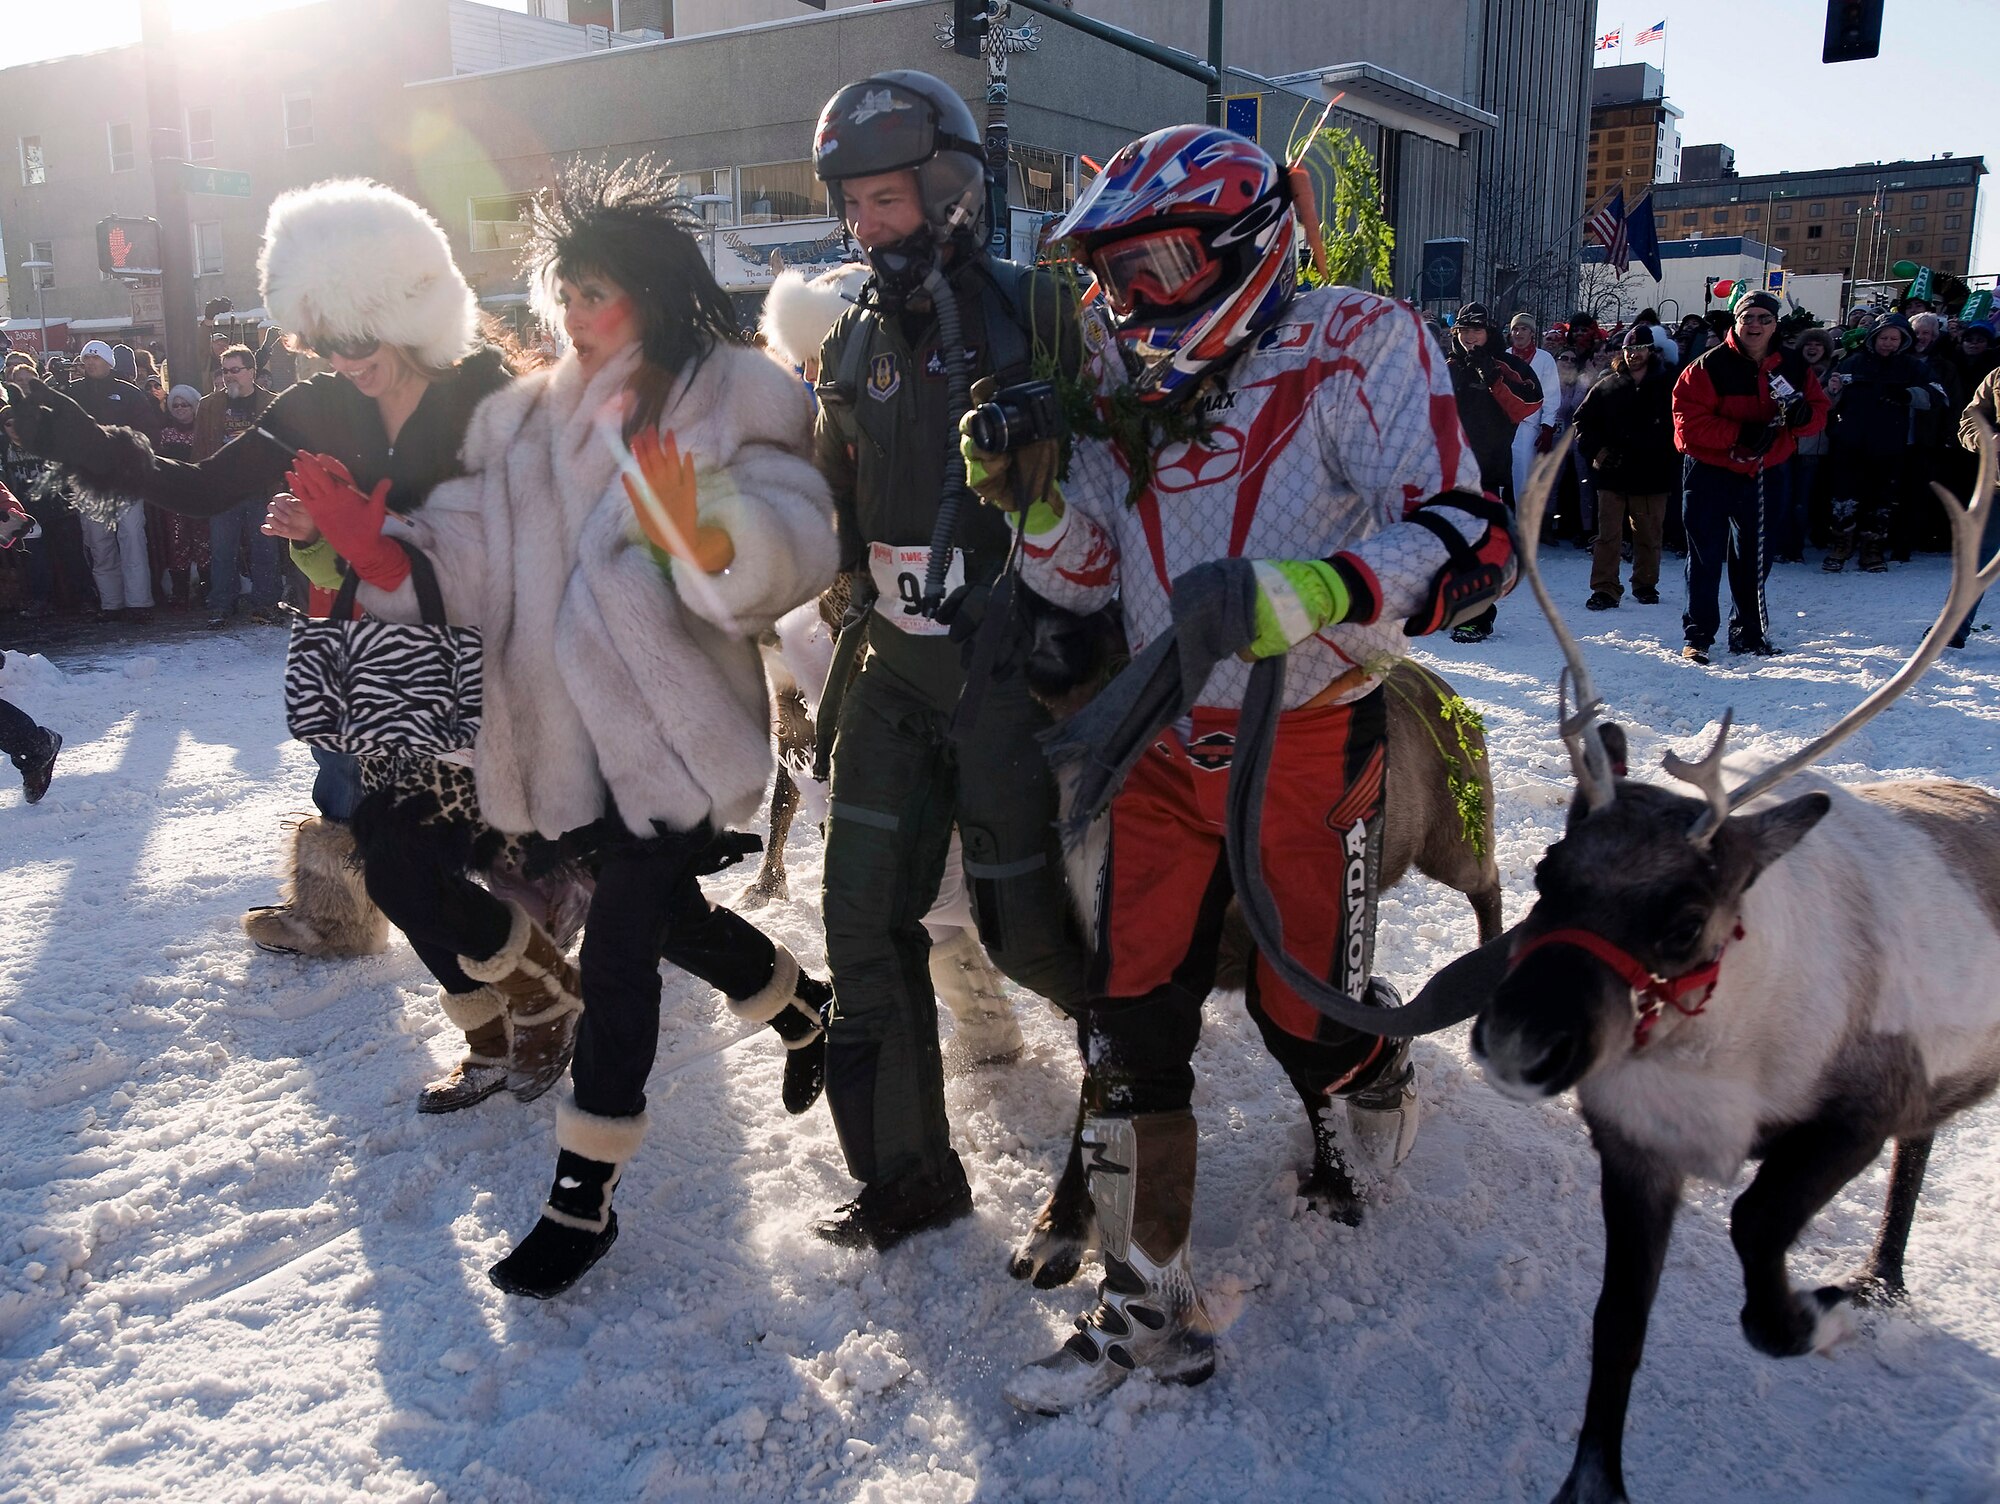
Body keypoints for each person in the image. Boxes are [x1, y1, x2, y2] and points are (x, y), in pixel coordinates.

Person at [964, 123, 1514, 1412]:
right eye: (1107, 273)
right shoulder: (1112, 370)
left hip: (1310, 734)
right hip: (1158, 742)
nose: (1123, 301)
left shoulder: (1356, 339)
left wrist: (1321, 586)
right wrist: (1034, 509)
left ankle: (1369, 1074)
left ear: (1242, 246)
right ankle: (1142, 1307)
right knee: (1127, 1020)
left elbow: (1465, 533)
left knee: (1299, 1013)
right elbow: (1087, 576)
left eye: (1151, 263)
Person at [293, 163, 842, 1298]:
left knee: (626, 949)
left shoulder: (735, 390)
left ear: (652, 291)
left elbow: (795, 541)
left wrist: (706, 528)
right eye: (566, 297)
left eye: (601, 294)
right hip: (564, 733)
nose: (580, 318)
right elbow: (484, 556)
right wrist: (379, 546)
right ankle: (801, 1003)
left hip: (672, 724)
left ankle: (579, 1201)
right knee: (669, 916)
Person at [3, 181, 508, 981]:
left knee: (480, 794)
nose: (343, 358)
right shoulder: (317, 404)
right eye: (323, 338)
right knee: (346, 765)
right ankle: (345, 919)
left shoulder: (481, 389)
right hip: (355, 627)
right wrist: (82, 442)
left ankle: (576, 919)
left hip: (477, 622)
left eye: (356, 335)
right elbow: (202, 486)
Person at [805, 69, 1093, 1251]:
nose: (863, 226)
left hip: (1011, 680)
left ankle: (1142, 1073)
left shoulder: (1047, 314)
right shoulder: (850, 334)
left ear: (948, 191)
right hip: (888, 672)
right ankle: (907, 1175)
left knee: (1028, 934)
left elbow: (1124, 489)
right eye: (852, 206)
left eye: (883, 200)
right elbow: (828, 491)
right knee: (860, 919)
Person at [1670, 290, 1828, 663]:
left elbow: (1819, 410)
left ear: (1775, 325)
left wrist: (1805, 418)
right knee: (1705, 555)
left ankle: (1748, 633)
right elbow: (1686, 425)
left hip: (1765, 471)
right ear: (1735, 321)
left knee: (1755, 556)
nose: (1754, 325)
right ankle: (1699, 635)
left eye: (1763, 318)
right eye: (1747, 317)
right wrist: (1739, 433)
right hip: (1711, 470)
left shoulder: (1793, 365)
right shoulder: (1706, 366)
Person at [1444, 302, 1540, 642]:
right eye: (1464, 331)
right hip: (1446, 471)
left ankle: (1477, 616)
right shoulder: (1447, 366)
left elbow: (1528, 404)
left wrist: (1492, 376)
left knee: (1479, 547)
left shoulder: (1505, 364)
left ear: (1489, 333)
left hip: (1485, 469)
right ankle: (1447, 607)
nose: (1470, 337)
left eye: (1477, 331)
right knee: (1443, 543)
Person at [1822, 313, 1941, 573]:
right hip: (1849, 440)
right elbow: (1823, 401)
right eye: (1883, 337)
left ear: (1903, 341)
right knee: (1844, 496)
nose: (1887, 343)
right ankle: (1841, 544)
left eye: (1894, 338)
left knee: (1882, 498)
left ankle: (1872, 547)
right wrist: (1832, 390)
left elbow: (1939, 395)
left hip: (1890, 443)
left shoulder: (1912, 367)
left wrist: (1908, 395)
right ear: (1873, 338)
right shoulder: (1851, 362)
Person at [1573, 326, 1677, 609]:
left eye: (1639, 349)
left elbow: (1682, 425)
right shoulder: (1608, 384)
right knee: (1608, 535)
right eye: (1629, 350)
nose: (1634, 355)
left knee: (1648, 533)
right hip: (1613, 471)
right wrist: (1598, 451)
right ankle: (1605, 588)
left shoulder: (1668, 384)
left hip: (1652, 471)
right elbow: (1582, 422)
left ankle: (1645, 584)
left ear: (1651, 351)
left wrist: (1671, 456)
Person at [64, 339, 159, 621]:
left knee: (132, 539)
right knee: (98, 542)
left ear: (109, 363)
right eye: (87, 357)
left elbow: (149, 434)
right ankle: (111, 603)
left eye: (96, 357)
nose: (91, 362)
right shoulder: (72, 394)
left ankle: (139, 604)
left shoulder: (129, 395)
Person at [196, 346, 285, 627]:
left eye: (236, 370)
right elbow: (200, 448)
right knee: (222, 550)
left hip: (262, 488)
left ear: (252, 372)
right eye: (225, 370)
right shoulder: (209, 405)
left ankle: (266, 603)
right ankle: (222, 603)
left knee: (265, 550)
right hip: (224, 490)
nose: (230, 376)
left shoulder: (273, 403)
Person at [151, 384, 212, 608]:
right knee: (177, 542)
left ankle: (207, 588)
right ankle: (180, 591)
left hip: (200, 495)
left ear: (195, 406)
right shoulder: (164, 433)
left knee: (203, 541)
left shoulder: (204, 432)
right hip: (174, 496)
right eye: (175, 405)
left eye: (185, 404)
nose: (180, 409)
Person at [1782, 329, 1839, 561]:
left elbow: (1829, 406)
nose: (1812, 348)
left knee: (1802, 502)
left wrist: (1831, 391)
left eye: (1818, 344)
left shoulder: (1832, 375)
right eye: (1808, 344)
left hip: (1814, 447)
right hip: (1785, 445)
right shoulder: (1789, 371)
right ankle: (1781, 546)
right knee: (1783, 499)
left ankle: (1796, 547)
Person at [1507, 311, 1562, 510]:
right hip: (1503, 425)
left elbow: (1551, 394)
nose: (1519, 333)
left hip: (1528, 426)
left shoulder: (1544, 358)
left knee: (1523, 478)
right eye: (1515, 329)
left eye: (1523, 329)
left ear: (1532, 333)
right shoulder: (1503, 356)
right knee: (1500, 476)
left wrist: (1547, 426)